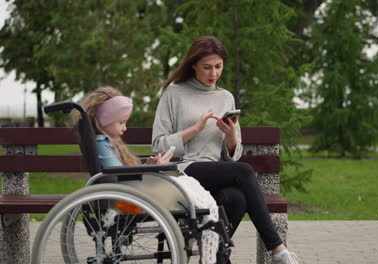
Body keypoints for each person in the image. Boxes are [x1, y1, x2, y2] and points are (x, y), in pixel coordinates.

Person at [152, 36, 302, 264]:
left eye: (218, 67)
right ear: (193, 64)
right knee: (244, 172)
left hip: (214, 172)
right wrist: (195, 129)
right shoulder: (174, 94)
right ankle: (277, 248)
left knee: (236, 198)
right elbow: (158, 144)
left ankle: (212, 258)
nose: (213, 73)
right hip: (182, 170)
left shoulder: (225, 97)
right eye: (207, 67)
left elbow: (233, 153)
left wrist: (231, 136)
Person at [74, 86, 220, 264]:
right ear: (105, 121)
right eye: (121, 122)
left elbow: (118, 172)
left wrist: (148, 166)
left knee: (190, 191)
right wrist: (153, 169)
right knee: (191, 197)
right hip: (126, 201)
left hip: (128, 195)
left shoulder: (105, 143)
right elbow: (117, 175)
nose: (125, 128)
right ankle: (205, 250)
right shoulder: (102, 143)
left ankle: (202, 246)